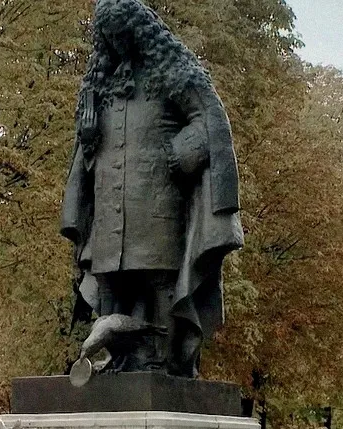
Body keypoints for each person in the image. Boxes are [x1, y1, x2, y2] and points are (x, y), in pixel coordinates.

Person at [61, 0, 243, 378]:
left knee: (160, 278)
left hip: (158, 198)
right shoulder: (101, 83)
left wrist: (180, 153)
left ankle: (163, 359)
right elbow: (87, 154)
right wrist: (89, 134)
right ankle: (118, 358)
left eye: (123, 37)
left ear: (139, 33)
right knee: (111, 278)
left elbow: (209, 117)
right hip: (110, 202)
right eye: (110, 40)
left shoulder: (170, 70)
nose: (119, 46)